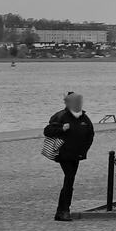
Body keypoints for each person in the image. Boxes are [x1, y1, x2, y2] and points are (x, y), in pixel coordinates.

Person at [44, 91, 95, 221]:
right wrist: (62, 129)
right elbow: (47, 131)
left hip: (77, 154)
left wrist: (84, 150)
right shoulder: (61, 116)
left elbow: (90, 134)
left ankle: (61, 210)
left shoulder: (84, 118)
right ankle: (64, 210)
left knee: (70, 180)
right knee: (69, 178)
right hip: (63, 153)